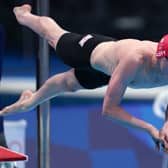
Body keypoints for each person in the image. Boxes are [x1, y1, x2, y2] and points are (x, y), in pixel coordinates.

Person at [1, 4, 168, 152]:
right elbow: (109, 110)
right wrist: (149, 128)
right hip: (92, 52)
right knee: (54, 36)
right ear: (160, 55)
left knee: (68, 84)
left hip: (107, 73)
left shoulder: (160, 63)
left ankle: (30, 101)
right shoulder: (135, 60)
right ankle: (24, 15)